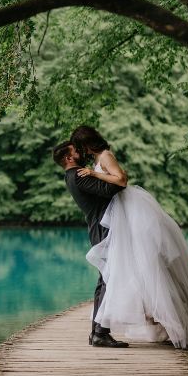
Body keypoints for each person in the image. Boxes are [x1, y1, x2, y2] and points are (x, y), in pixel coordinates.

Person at [69, 125, 188, 370]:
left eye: (81, 147)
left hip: (130, 211)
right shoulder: (98, 158)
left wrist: (95, 175)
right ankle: (150, 325)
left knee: (145, 269)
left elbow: (122, 180)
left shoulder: (105, 155)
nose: (81, 152)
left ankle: (172, 326)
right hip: (122, 215)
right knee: (135, 271)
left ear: (87, 144)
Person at [52, 140, 129, 348]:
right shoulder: (78, 175)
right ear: (69, 158)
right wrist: (121, 175)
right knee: (109, 277)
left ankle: (97, 331)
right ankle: (100, 333)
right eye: (76, 151)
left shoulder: (71, 176)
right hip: (103, 228)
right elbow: (110, 189)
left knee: (105, 278)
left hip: (97, 227)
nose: (81, 152)